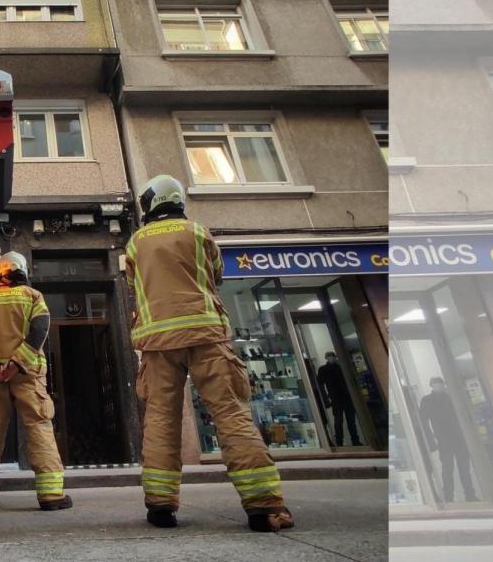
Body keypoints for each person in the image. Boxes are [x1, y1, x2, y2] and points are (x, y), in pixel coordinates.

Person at [126, 174, 293, 532]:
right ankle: (264, 507)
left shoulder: (136, 242)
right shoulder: (198, 232)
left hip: (157, 344)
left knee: (160, 419)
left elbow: (133, 284)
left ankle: (160, 505)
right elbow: (216, 275)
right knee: (231, 413)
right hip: (205, 334)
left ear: (152, 203)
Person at [0, 251, 72, 511]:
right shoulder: (33, 297)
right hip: (28, 375)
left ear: (0, 271)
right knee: (38, 426)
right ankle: (51, 496)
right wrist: (17, 364)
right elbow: (40, 330)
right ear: (22, 270)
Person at [420, 377, 478, 502]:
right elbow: (423, 422)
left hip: (459, 437)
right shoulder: (427, 400)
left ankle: (470, 495)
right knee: (447, 468)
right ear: (432, 386)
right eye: (436, 384)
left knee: (464, 468)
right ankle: (448, 497)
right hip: (442, 439)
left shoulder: (451, 398)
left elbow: (464, 415)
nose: (438, 386)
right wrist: (431, 440)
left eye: (440, 384)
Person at [317, 352, 362, 447]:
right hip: (335, 398)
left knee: (351, 421)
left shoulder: (341, 367)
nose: (331, 359)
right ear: (326, 358)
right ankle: (339, 442)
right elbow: (320, 385)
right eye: (329, 357)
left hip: (346, 397)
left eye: (332, 357)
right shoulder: (324, 369)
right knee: (338, 421)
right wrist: (326, 400)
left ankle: (354, 440)